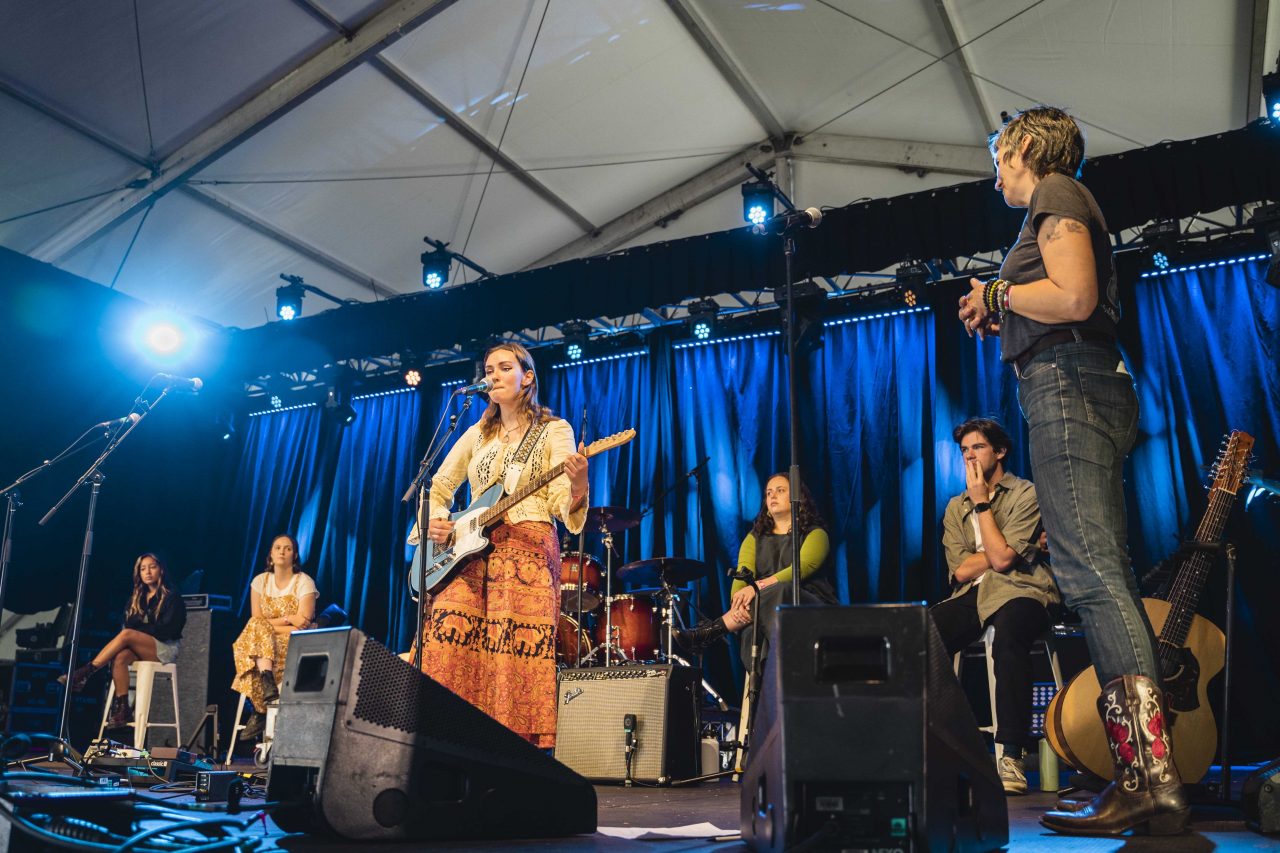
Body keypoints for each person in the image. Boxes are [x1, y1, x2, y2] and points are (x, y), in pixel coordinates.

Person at [958, 106, 1184, 835]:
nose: (995, 172)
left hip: (1069, 384)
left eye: (999, 155)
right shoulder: (1057, 203)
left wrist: (997, 295)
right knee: (1098, 572)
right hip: (1074, 381)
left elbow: (1077, 297)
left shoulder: (1056, 192)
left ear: (1025, 146)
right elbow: (1061, 297)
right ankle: (1146, 775)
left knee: (1091, 576)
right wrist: (1010, 313)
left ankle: (1147, 777)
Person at [415, 343, 588, 748]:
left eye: (503, 367)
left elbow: (562, 502)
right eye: (488, 369)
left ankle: (514, 761)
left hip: (526, 552)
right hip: (468, 554)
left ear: (527, 377)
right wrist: (436, 523)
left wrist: (579, 484)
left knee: (512, 662)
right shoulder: (477, 433)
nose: (492, 375)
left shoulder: (554, 430)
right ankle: (446, 745)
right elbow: (438, 486)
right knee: (445, 646)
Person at [931, 417, 1057, 795]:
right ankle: (939, 744)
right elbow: (960, 570)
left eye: (978, 447)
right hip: (972, 596)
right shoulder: (955, 507)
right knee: (918, 633)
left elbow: (1003, 563)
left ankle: (1013, 756)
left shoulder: (1025, 494)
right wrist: (999, 551)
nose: (969, 456)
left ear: (999, 451)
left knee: (1009, 634)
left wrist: (983, 502)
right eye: (964, 450)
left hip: (1024, 590)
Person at [678, 473, 836, 671]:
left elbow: (802, 568)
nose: (772, 496)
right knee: (750, 630)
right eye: (769, 492)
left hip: (808, 605)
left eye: (780, 491)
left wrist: (757, 588)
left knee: (781, 591)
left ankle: (713, 630)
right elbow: (742, 573)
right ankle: (764, 689)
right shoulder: (754, 537)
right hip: (764, 608)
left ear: (798, 497)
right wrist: (738, 602)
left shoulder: (816, 534)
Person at [60, 553, 186, 728]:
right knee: (120, 658)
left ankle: (86, 672)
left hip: (165, 648)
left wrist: (138, 631)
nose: (147, 572)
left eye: (152, 567)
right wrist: (140, 631)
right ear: (138, 573)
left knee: (127, 635)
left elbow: (167, 630)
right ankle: (123, 708)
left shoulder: (172, 597)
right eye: (143, 569)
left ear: (161, 570)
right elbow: (129, 623)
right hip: (142, 647)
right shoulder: (136, 598)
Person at [231, 534, 317, 741]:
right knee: (255, 630)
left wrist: (276, 624)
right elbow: (257, 619)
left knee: (252, 638)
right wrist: (289, 619)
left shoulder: (304, 582)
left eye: (287, 548)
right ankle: (266, 686)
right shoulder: (260, 581)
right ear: (270, 554)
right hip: (264, 643)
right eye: (277, 547)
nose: (282, 551)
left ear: (294, 555)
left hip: (294, 643)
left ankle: (260, 707)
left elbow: (304, 624)